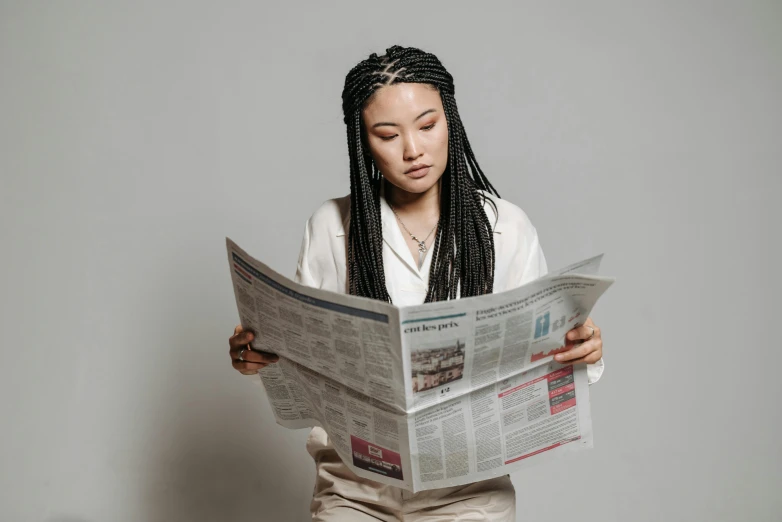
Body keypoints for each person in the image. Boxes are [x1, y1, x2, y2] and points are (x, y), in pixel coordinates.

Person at [227, 45, 604, 521]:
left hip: (468, 493)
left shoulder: (505, 227)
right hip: (352, 488)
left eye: (428, 126)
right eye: (388, 135)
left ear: (452, 122)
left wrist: (583, 348)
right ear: (363, 143)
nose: (413, 150)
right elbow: (305, 357)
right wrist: (258, 354)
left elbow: (542, 359)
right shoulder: (330, 225)